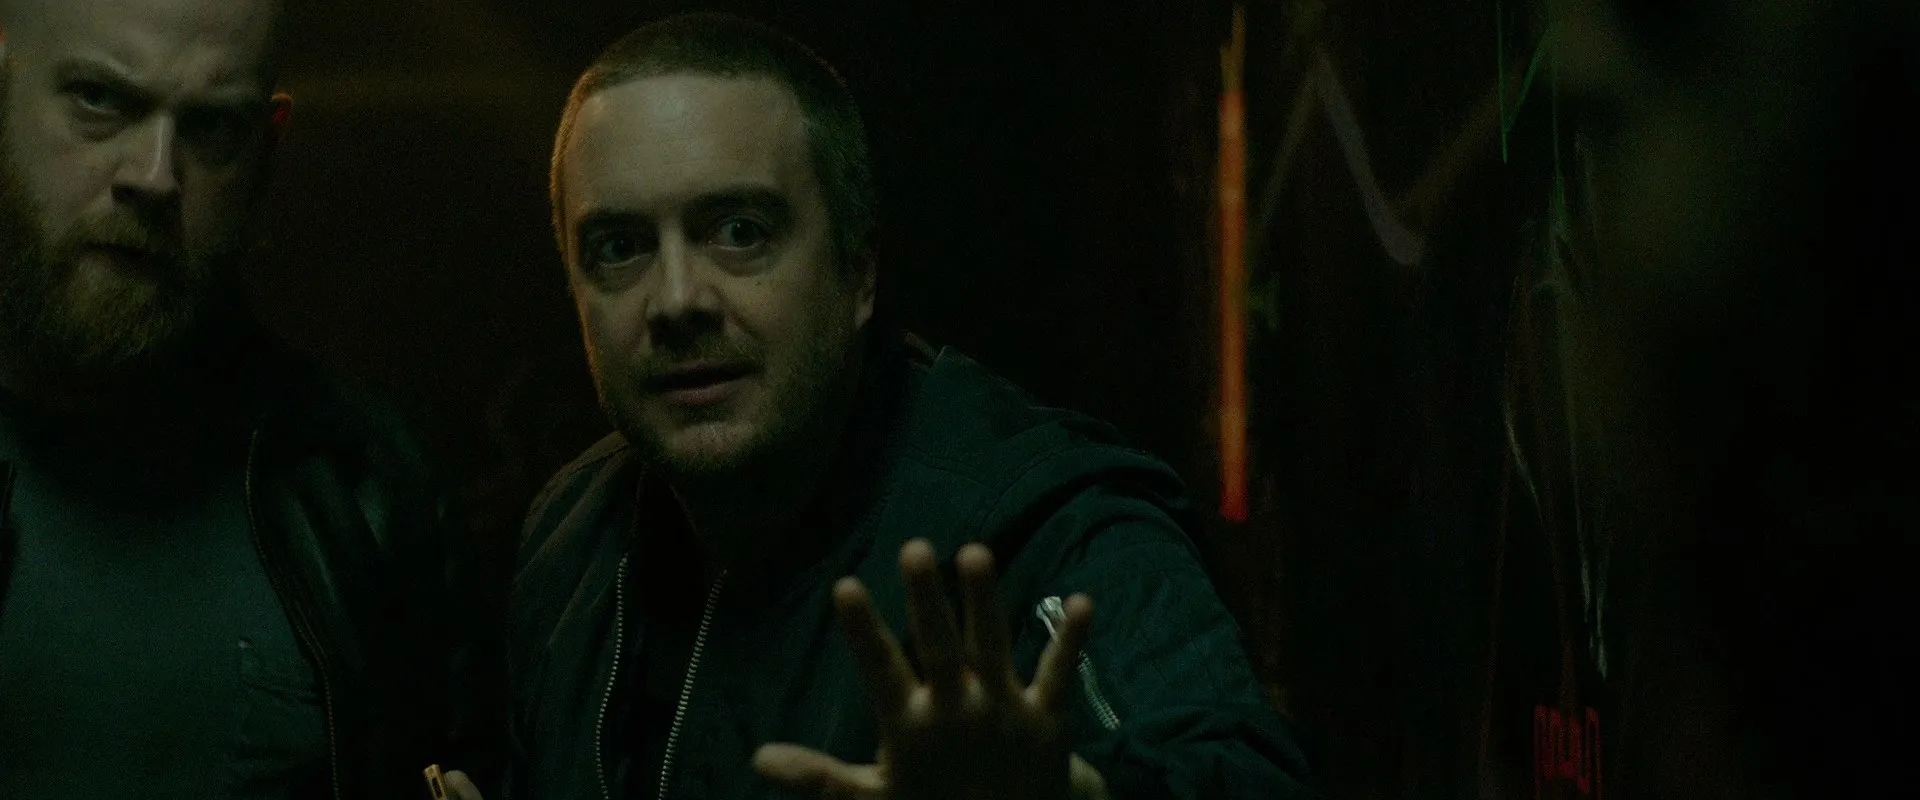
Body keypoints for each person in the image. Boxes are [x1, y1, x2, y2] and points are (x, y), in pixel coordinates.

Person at [496, 13, 1319, 800]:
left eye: (740, 231)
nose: (677, 300)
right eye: (619, 248)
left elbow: (1241, 778)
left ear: (859, 272)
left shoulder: (1039, 528)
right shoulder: (572, 537)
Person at [0, 0, 480, 797]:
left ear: (266, 146)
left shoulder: (362, 492)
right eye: (100, 100)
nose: (154, 175)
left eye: (212, 126)